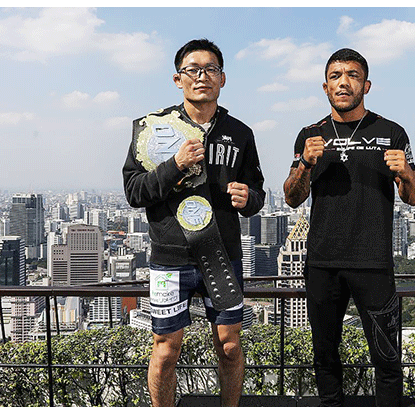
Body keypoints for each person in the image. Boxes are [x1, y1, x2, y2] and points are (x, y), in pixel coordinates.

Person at [123, 38, 265, 407]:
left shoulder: (241, 133)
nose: (202, 76)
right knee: (165, 350)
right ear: (178, 79)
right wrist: (175, 165)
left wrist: (249, 198)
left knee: (230, 347)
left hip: (222, 255)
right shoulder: (153, 129)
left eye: (211, 69)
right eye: (193, 70)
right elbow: (134, 191)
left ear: (222, 78)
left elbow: (257, 193)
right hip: (170, 258)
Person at [283, 48, 415, 407]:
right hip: (322, 263)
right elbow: (292, 198)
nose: (343, 82)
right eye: (335, 76)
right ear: (325, 87)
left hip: (373, 262)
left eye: (353, 75)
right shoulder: (310, 134)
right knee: (324, 354)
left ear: (366, 85)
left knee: (387, 356)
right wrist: (305, 164)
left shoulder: (391, 132)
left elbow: (413, 197)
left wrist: (406, 172)